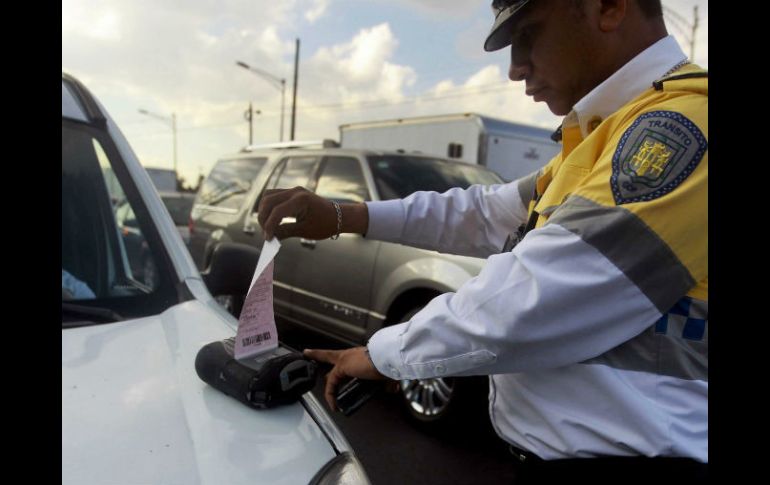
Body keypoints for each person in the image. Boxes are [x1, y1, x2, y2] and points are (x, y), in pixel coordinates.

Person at [258, 0, 707, 481]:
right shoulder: (613, 134)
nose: (515, 69)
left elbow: (537, 296)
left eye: (529, 35)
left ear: (609, 7)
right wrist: (345, 215)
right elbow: (485, 212)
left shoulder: (683, 130)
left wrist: (384, 355)